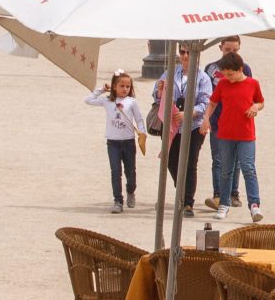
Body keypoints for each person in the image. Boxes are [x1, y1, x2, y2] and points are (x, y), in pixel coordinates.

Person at [206, 55, 266, 223]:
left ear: (240, 69)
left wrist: (255, 107)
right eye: (226, 74)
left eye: (231, 74)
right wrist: (206, 120)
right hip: (225, 134)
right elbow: (212, 102)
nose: (228, 78)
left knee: (248, 168)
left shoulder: (253, 83)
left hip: (246, 135)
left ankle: (254, 205)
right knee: (226, 170)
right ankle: (224, 204)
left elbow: (261, 102)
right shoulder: (223, 84)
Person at [151, 47, 211, 214]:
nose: (185, 56)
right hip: (172, 126)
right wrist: (160, 90)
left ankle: (187, 202)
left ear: (196, 54)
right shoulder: (170, 72)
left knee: (190, 163)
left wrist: (189, 113)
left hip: (193, 125)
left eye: (189, 53)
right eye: (183, 52)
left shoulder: (203, 78)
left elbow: (205, 101)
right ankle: (182, 192)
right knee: (170, 160)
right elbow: (156, 96)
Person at [85, 70, 145, 213]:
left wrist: (142, 132)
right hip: (113, 142)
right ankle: (118, 200)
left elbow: (139, 119)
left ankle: (131, 191)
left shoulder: (132, 102)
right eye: (122, 86)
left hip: (128, 142)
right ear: (114, 87)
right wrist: (101, 90)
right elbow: (88, 100)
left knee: (130, 172)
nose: (125, 89)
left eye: (128, 86)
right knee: (115, 171)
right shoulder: (108, 100)